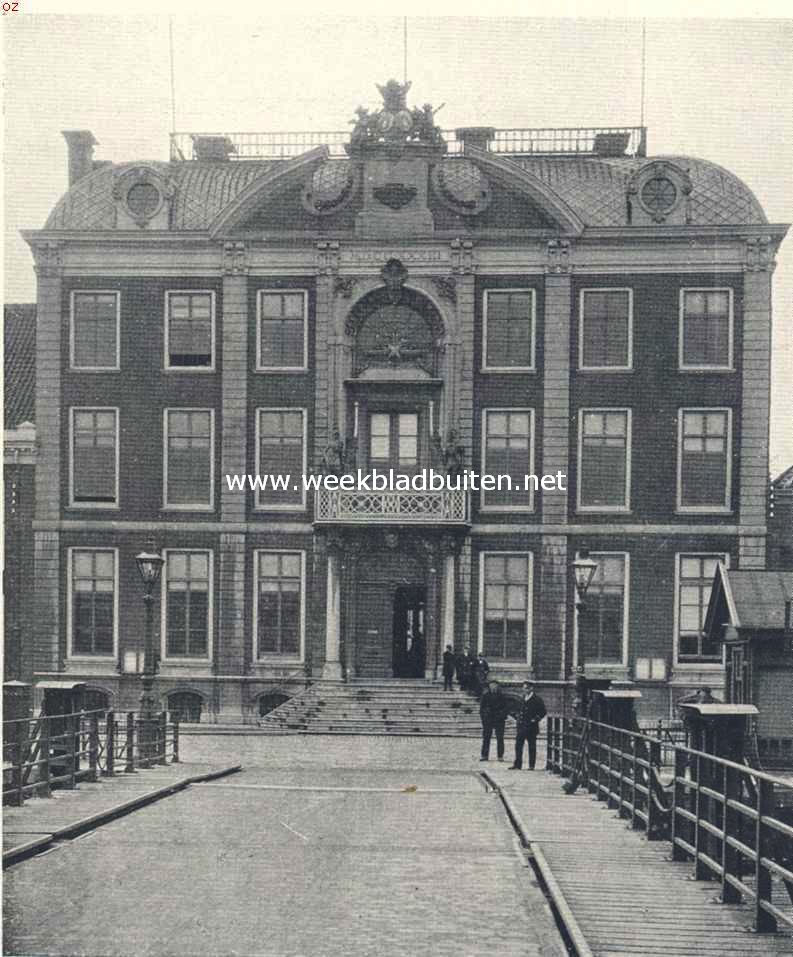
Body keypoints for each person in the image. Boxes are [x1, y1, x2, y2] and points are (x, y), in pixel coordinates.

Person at [509, 680, 547, 770]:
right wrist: (516, 716)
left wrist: (535, 719)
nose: (524, 690)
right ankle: (518, 764)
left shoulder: (537, 699)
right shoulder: (523, 698)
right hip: (521, 726)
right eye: (523, 688)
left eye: (526, 688)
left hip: (531, 727)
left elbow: (543, 711)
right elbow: (519, 710)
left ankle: (531, 765)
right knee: (518, 745)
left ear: (531, 688)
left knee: (532, 746)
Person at [479, 680, 509, 762]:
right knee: (486, 738)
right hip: (488, 720)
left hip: (499, 720)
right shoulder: (485, 696)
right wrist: (484, 719)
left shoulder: (502, 696)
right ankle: (484, 755)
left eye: (495, 686)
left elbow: (506, 709)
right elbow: (482, 709)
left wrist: (501, 716)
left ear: (498, 687)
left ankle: (500, 756)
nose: (493, 688)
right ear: (489, 687)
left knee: (500, 738)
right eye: (491, 686)